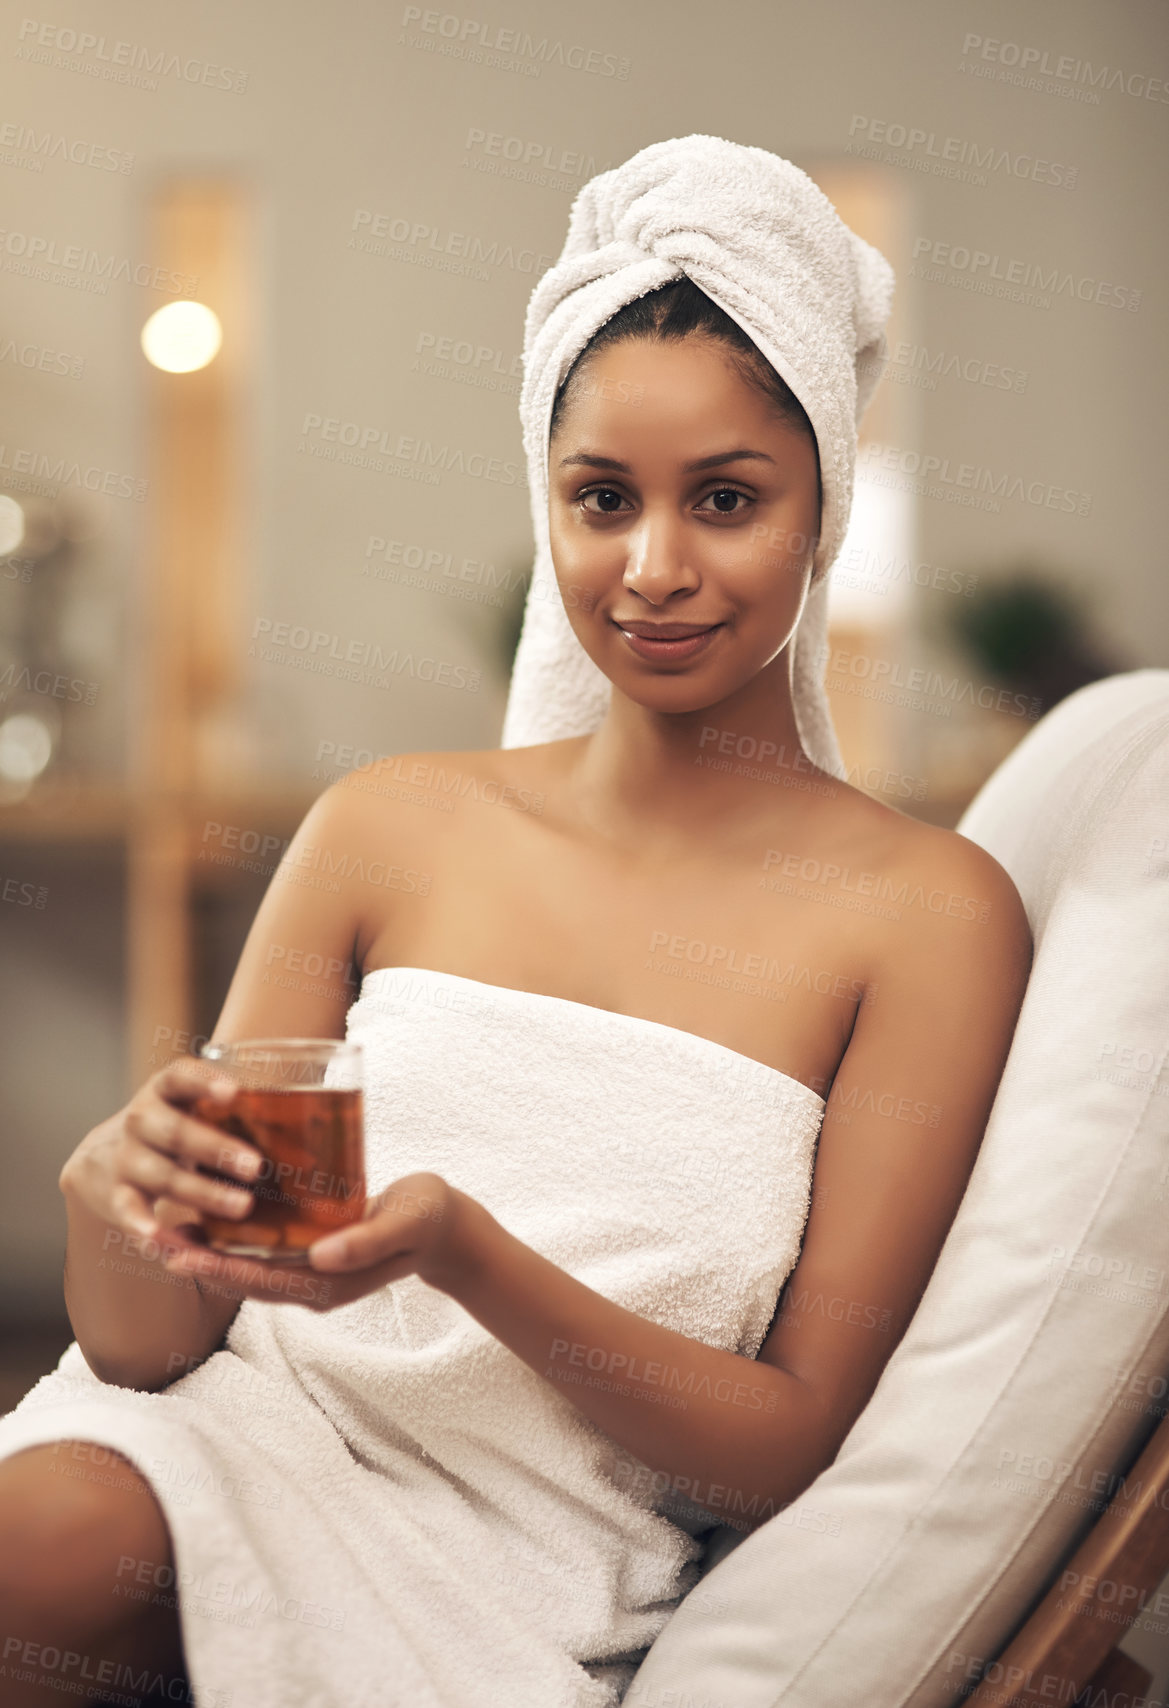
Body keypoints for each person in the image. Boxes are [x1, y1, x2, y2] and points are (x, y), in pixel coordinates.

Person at [0, 137, 1032, 1708]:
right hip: (216, 1438)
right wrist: (107, 1206)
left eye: (730, 501)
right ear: (544, 502)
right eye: (601, 498)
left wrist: (465, 1254)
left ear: (819, 513)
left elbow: (791, 1449)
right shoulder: (387, 826)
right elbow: (159, 1345)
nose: (655, 569)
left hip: (520, 1559)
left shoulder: (923, 915)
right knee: (46, 1542)